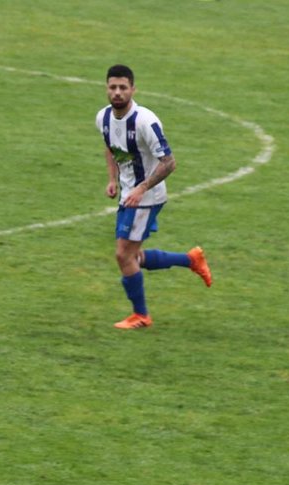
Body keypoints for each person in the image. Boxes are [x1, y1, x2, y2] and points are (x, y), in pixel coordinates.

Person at [96, 63, 212, 331]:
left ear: (133, 90)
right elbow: (110, 148)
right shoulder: (103, 117)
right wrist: (112, 179)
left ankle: (141, 315)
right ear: (106, 88)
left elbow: (169, 162)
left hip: (146, 198)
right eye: (112, 87)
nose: (117, 92)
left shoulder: (145, 121)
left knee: (123, 256)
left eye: (123, 88)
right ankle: (191, 259)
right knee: (132, 256)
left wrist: (141, 188)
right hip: (128, 195)